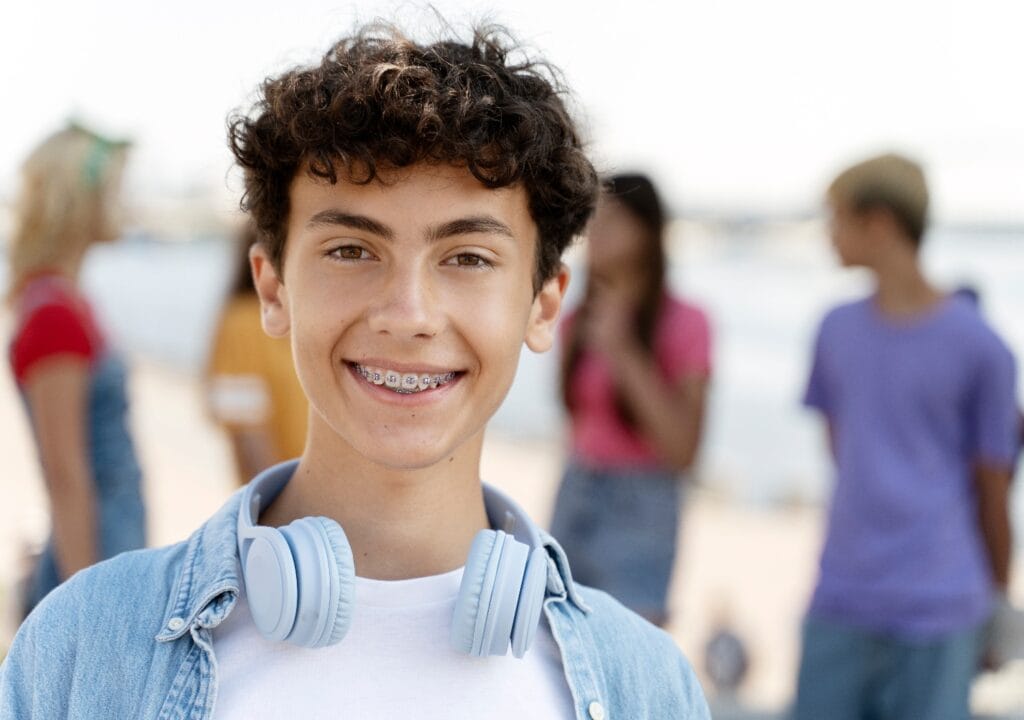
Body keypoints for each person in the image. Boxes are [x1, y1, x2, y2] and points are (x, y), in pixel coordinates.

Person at [0, 23, 710, 719]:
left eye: (468, 257)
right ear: (273, 289)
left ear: (545, 306)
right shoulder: (81, 646)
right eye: (350, 250)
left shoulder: (647, 686)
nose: (408, 314)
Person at [794, 153, 1020, 720]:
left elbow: (996, 489)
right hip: (841, 595)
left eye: (837, 218)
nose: (829, 234)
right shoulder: (834, 329)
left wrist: (996, 607)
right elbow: (843, 451)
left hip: (941, 610)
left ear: (880, 223)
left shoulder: (983, 350)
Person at [550, 173, 712, 626]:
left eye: (613, 221)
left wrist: (623, 351)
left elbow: (683, 451)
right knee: (557, 637)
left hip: (643, 503)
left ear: (647, 233)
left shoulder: (688, 322)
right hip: (577, 487)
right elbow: (576, 420)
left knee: (631, 643)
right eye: (593, 220)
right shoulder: (577, 320)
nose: (596, 233)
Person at [4, 122, 146, 619]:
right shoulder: (55, 312)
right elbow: (65, 474)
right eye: (116, 189)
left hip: (107, 539)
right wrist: (88, 611)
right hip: (96, 550)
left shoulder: (61, 299)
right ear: (81, 201)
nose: (127, 201)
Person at [205, 221, 307, 485]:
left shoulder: (308, 319)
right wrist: (283, 511)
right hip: (289, 505)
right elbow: (247, 434)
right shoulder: (243, 322)